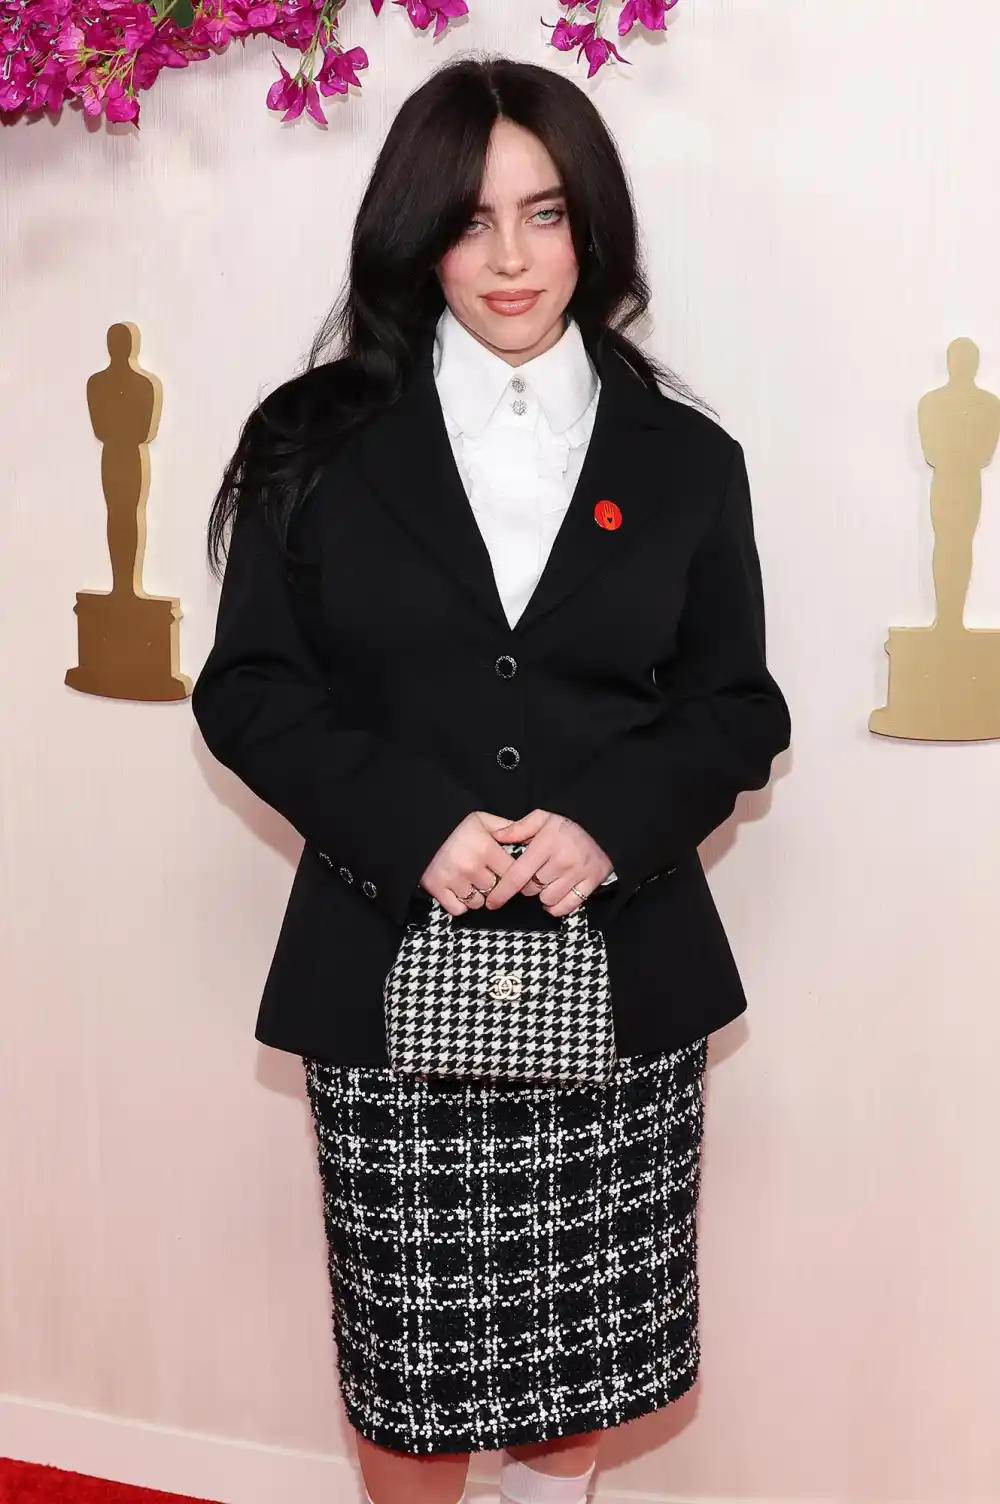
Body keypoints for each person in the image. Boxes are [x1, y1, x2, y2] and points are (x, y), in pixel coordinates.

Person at [191, 55, 791, 1504]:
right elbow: (250, 690)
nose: (512, 259)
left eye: (546, 215)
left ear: (594, 230)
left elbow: (735, 709)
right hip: (390, 976)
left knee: (575, 1375)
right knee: (413, 1384)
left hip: (621, 979)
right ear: (415, 235)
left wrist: (612, 828)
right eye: (470, 221)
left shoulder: (688, 460)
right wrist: (415, 829)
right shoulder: (308, 440)